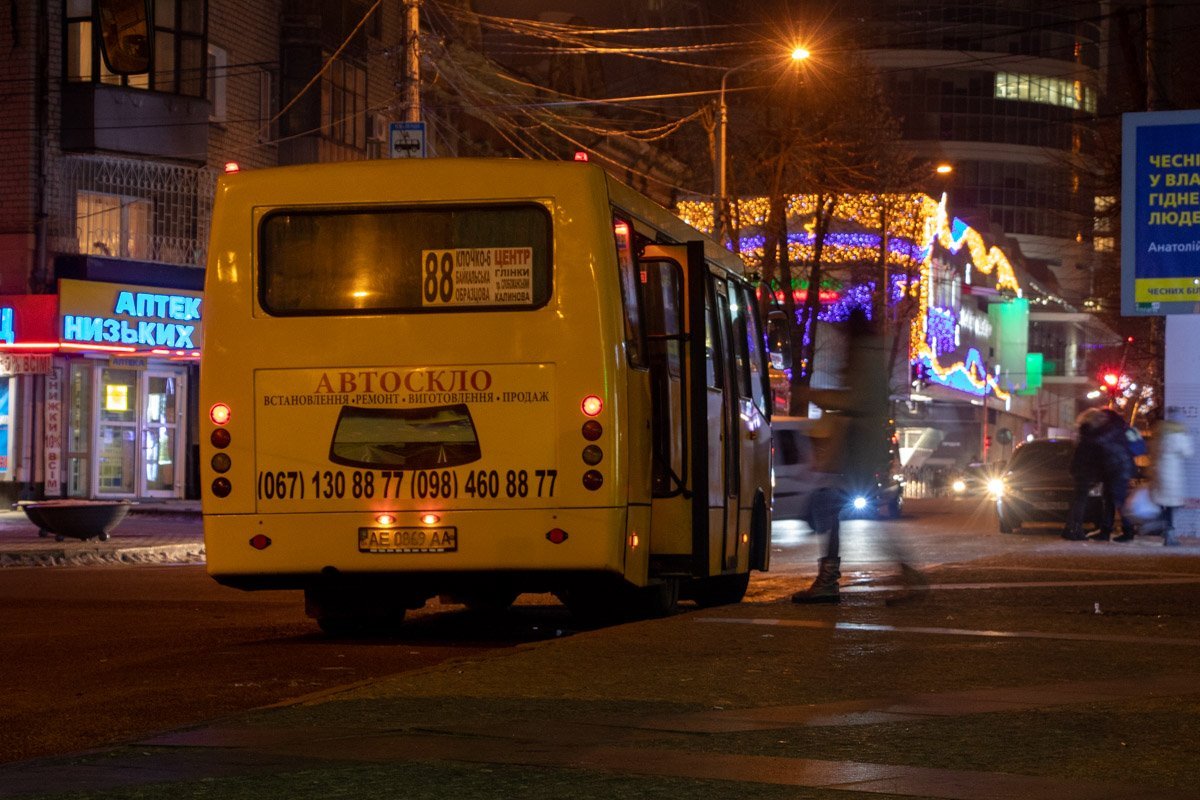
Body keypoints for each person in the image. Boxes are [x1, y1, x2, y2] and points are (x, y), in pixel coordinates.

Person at [790, 309, 923, 603]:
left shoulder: (862, 356)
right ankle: (904, 577)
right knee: (842, 510)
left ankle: (831, 580)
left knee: (835, 507)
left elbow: (855, 401)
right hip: (858, 447)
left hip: (857, 448)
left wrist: (812, 395)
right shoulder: (868, 355)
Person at [1063, 407, 1136, 541]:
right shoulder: (1111, 429)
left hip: (1117, 470)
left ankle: (1128, 531)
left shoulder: (1111, 431)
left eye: (1103, 417)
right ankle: (1105, 531)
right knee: (1108, 500)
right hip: (1112, 470)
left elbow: (1099, 444)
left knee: (1117, 500)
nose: (1102, 420)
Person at [1150, 408, 1194, 547]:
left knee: (1165, 504)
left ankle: (1165, 529)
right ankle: (1168, 533)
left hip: (1160, 471)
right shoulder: (1180, 435)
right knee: (1172, 506)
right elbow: (1188, 452)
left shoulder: (1161, 433)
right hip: (1173, 473)